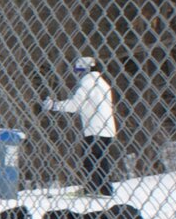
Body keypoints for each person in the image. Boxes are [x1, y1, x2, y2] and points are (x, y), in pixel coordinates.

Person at [42, 56, 120, 196]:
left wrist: (54, 105)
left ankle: (93, 188)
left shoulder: (88, 84)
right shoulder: (103, 83)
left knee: (90, 159)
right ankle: (103, 188)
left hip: (94, 128)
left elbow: (75, 105)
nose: (78, 74)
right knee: (100, 158)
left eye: (79, 70)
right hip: (107, 127)